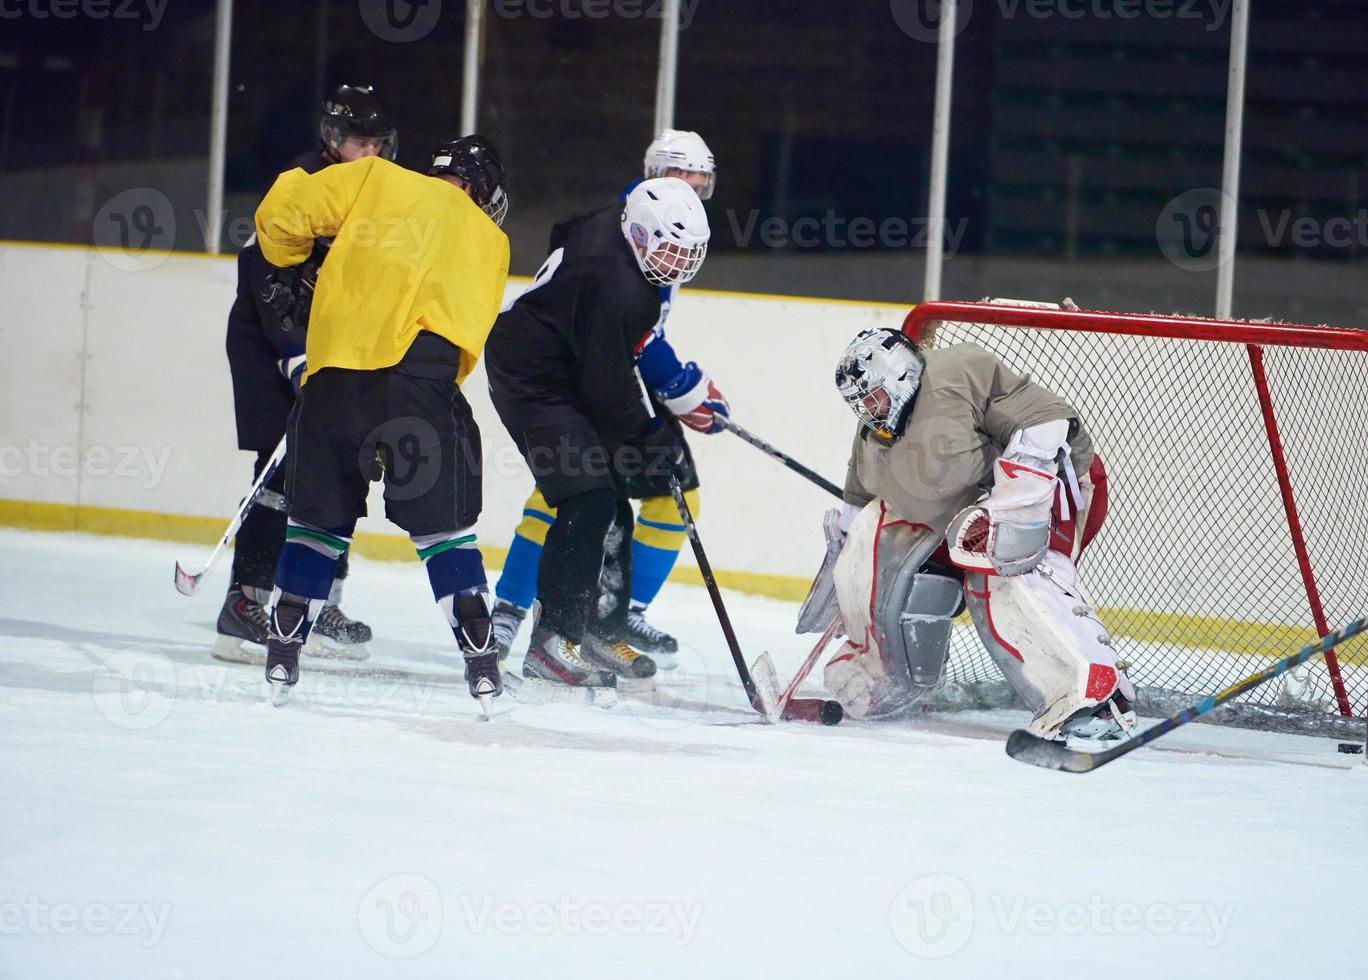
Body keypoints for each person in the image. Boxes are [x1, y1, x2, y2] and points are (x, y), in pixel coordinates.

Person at [252, 135, 511, 712]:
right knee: (444, 532)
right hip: (421, 390)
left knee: (318, 523)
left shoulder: (376, 177)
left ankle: (286, 641)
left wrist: (299, 258)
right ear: (474, 187)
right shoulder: (493, 242)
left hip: (334, 387)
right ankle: (479, 649)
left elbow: (281, 212)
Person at [809, 323, 1136, 741]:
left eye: (873, 397)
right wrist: (847, 571)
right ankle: (889, 681)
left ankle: (1098, 695)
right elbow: (859, 506)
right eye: (860, 404)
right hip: (965, 516)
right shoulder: (873, 435)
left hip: (1050, 481)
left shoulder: (959, 373)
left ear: (901, 374)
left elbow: (1047, 424)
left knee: (999, 571)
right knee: (888, 553)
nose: (869, 411)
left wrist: (1017, 506)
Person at [488, 130, 728, 669]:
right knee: (585, 497)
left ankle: (599, 627)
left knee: (610, 497)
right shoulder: (621, 273)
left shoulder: (640, 231)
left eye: (701, 179)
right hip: (541, 377)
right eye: (681, 174)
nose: (678, 259)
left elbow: (623, 353)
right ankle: (533, 623)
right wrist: (651, 434)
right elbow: (608, 378)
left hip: (573, 366)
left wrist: (673, 400)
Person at [217, 83, 398, 663]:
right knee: (281, 474)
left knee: (338, 471)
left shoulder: (376, 191)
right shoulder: (300, 184)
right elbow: (266, 280)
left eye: (377, 143)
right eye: (359, 142)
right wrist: (294, 352)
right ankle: (244, 604)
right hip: (271, 346)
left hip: (332, 345)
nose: (369, 153)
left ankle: (317, 605)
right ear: (333, 139)